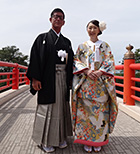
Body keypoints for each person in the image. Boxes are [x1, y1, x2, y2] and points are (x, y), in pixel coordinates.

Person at [26, 8, 74, 153]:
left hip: (63, 78)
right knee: (47, 109)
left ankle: (60, 139)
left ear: (64, 22)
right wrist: (35, 78)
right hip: (47, 79)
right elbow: (35, 58)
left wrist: (71, 80)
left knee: (61, 109)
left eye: (60, 17)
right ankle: (45, 140)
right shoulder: (42, 38)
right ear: (50, 19)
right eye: (55, 17)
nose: (57, 19)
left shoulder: (66, 41)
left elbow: (72, 62)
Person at [72, 20, 118, 153]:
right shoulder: (82, 46)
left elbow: (110, 60)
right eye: (89, 27)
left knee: (101, 113)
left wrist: (100, 71)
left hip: (100, 84)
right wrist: (86, 71)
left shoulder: (105, 46)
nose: (92, 30)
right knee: (85, 113)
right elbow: (76, 61)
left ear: (99, 30)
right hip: (86, 83)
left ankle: (98, 141)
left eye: (94, 27)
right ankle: (86, 140)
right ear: (86, 29)